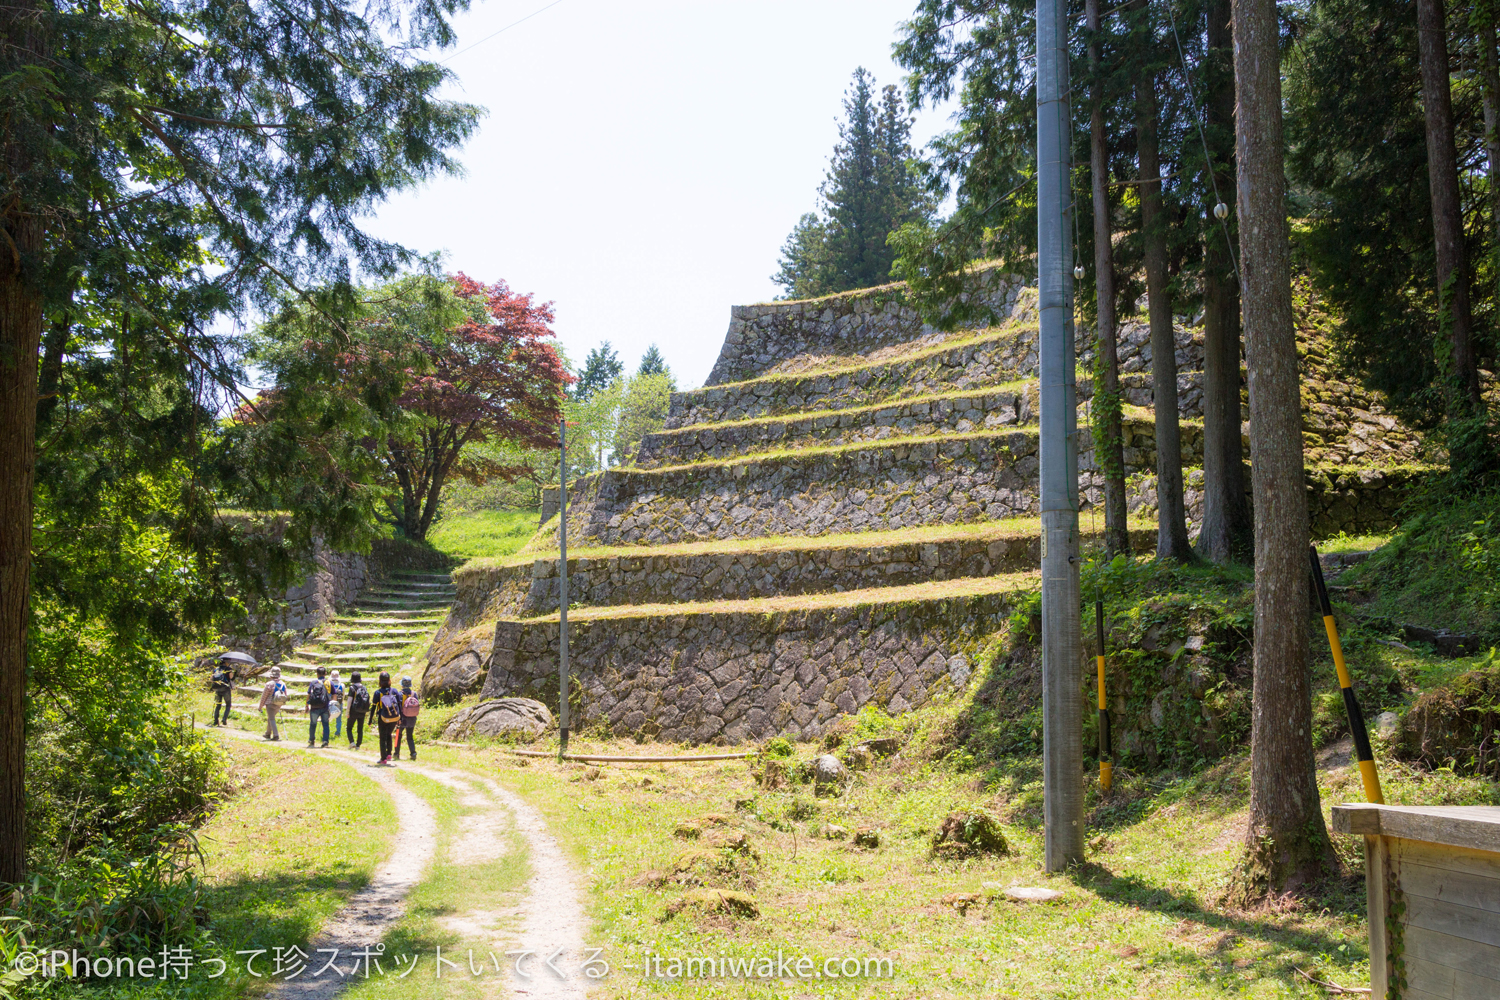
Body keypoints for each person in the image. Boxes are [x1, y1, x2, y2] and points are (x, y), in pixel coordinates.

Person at [371, 671, 402, 766]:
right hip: (394, 717)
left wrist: (370, 720)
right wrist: (400, 718)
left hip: (383, 717)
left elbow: (373, 707)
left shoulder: (378, 693)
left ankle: (383, 758)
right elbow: (399, 705)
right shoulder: (395, 691)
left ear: (380, 681)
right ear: (389, 680)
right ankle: (389, 754)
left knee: (382, 737)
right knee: (389, 734)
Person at [393, 677, 420, 761]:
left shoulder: (399, 694)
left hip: (402, 718)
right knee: (410, 737)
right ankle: (413, 753)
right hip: (412, 718)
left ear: (402, 684)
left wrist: (398, 718)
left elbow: (398, 707)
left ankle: (396, 753)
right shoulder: (414, 694)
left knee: (399, 735)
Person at [257, 666, 288, 741]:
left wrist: (260, 707)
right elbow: (285, 695)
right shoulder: (283, 684)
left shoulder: (269, 684)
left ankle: (276, 735)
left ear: (271, 675)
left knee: (271, 719)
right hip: (278, 704)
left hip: (270, 704)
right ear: (279, 675)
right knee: (270, 718)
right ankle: (267, 734)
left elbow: (264, 696)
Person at [306, 666, 332, 748]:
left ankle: (311, 740)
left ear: (317, 674)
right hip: (325, 707)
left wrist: (307, 705)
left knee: (313, 724)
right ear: (325, 673)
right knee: (325, 724)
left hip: (314, 707)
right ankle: (325, 741)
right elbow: (334, 694)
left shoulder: (313, 683)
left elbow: (309, 694)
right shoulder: (329, 683)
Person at [346, 671, 369, 749]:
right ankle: (358, 745)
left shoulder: (352, 688)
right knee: (360, 729)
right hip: (362, 710)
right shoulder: (364, 687)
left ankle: (352, 742)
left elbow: (349, 700)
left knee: (349, 728)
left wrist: (347, 711)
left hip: (353, 710)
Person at [210, 659, 234, 726]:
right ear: (226, 662)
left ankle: (215, 721)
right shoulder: (228, 669)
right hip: (225, 689)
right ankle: (224, 719)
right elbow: (231, 677)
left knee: (218, 705)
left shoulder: (216, 669)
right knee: (228, 704)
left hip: (217, 689)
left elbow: (211, 678)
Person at [329, 669, 345, 740]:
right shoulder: (342, 685)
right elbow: (343, 695)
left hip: (330, 703)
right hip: (339, 703)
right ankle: (338, 732)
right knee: (339, 718)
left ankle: (326, 731)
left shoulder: (329, 684)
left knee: (328, 717)